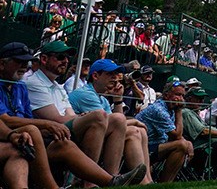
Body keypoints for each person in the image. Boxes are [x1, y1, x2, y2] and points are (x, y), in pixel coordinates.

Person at [0, 41, 146, 186]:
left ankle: (113, 179)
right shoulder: (32, 83)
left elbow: (59, 116)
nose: (66, 61)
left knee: (118, 121)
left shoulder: (30, 86)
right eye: (60, 57)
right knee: (100, 118)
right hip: (37, 134)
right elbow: (56, 119)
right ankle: (90, 183)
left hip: (42, 135)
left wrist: (117, 101)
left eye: (26, 62)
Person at [135, 81, 193, 182]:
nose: (181, 99)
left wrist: (189, 143)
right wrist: (179, 111)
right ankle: (165, 183)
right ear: (166, 95)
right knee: (181, 145)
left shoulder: (170, 108)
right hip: (141, 147)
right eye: (178, 95)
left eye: (183, 96)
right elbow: (177, 136)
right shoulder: (159, 110)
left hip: (155, 145)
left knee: (184, 144)